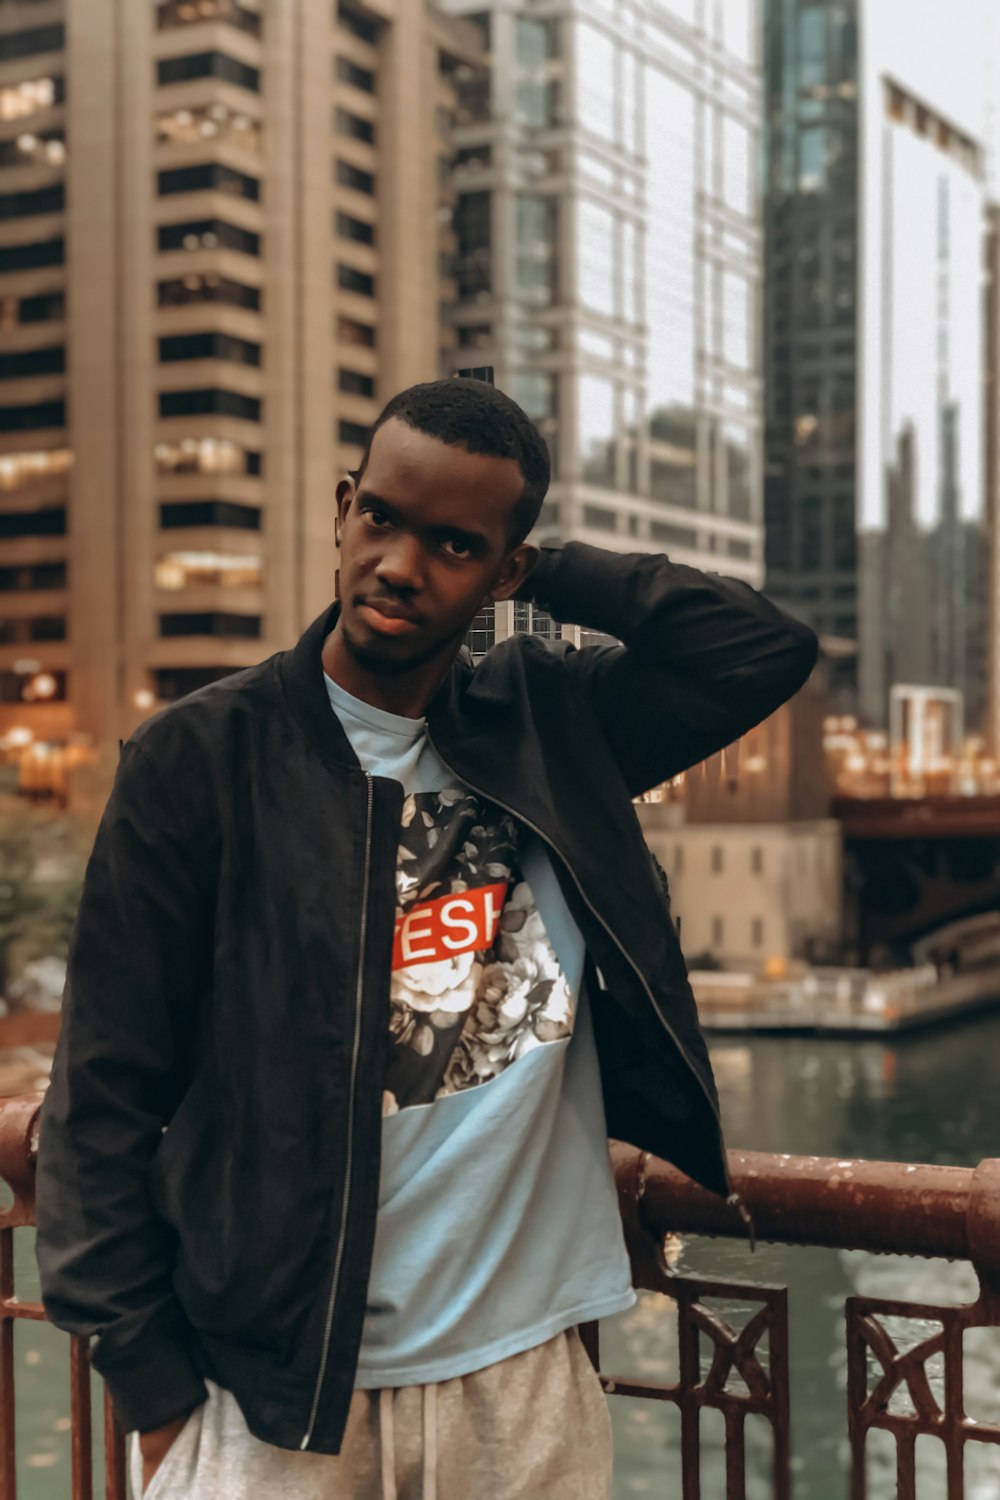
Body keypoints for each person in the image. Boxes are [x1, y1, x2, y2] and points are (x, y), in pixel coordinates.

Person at [35, 378, 818, 1499]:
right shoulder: (200, 762)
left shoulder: (555, 723)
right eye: (384, 519)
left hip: (522, 1382)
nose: (400, 564)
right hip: (275, 1393)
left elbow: (762, 649)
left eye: (454, 544)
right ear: (344, 508)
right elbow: (100, 1103)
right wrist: (152, 1389)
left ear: (507, 575)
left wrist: (561, 566)